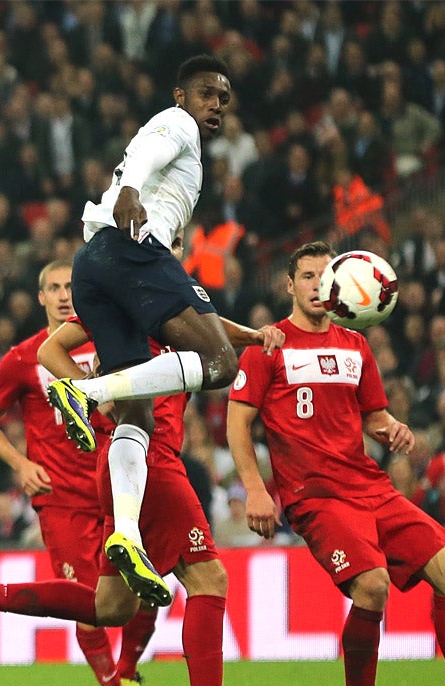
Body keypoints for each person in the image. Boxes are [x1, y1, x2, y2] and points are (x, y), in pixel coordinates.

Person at [226, 240, 445, 686]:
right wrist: (256, 489)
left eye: (323, 276)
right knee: (372, 585)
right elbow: (238, 423)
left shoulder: (355, 345)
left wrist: (393, 428)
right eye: (305, 276)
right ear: (289, 284)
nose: (315, 285)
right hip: (316, 494)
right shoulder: (270, 346)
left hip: (368, 485)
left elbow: (373, 415)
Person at [0, 313, 275, 686]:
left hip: (120, 462)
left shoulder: (164, 304)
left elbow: (209, 325)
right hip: (148, 458)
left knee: (111, 607)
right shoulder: (131, 297)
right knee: (208, 577)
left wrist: (254, 335)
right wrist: (91, 394)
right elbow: (47, 351)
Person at [44, 55, 282, 607]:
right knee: (220, 365)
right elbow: (148, 153)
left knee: (138, 415)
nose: (216, 105)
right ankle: (84, 391)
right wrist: (129, 190)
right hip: (134, 250)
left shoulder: (185, 141)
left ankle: (125, 534)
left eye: (224, 98)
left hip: (95, 261)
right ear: (181, 95)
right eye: (207, 94)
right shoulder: (176, 125)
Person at [0, 259, 160, 686]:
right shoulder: (24, 357)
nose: (62, 295)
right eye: (52, 288)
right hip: (62, 500)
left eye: (69, 286)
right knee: (89, 600)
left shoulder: (107, 344)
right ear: (40, 297)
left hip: (115, 486)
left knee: (147, 589)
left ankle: (130, 669)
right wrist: (20, 463)